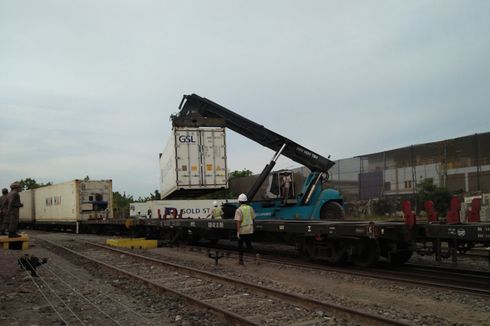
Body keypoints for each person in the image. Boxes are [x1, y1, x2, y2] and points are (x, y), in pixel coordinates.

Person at [234, 193, 255, 265]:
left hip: (242, 230)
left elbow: (238, 222)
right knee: (249, 245)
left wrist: (238, 232)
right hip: (249, 229)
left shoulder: (238, 210)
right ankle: (255, 256)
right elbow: (253, 219)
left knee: (240, 246)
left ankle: (240, 261)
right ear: (246, 201)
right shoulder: (250, 208)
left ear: (239, 201)